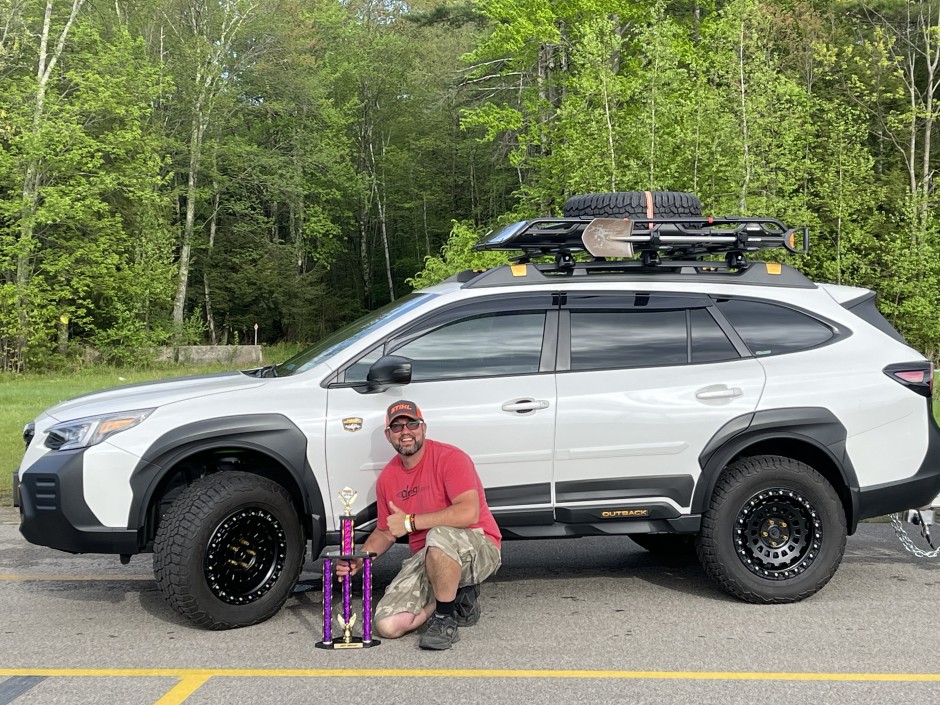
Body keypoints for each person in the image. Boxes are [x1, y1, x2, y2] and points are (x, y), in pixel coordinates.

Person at [336, 399, 502, 650]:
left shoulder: (451, 458)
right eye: (397, 427)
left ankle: (445, 620)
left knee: (437, 537)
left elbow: (468, 512)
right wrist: (359, 559)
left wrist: (410, 522)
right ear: (388, 435)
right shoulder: (387, 479)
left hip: (478, 546)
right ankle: (451, 597)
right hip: (429, 557)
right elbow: (385, 531)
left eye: (411, 424)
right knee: (388, 626)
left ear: (423, 428)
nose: (405, 432)